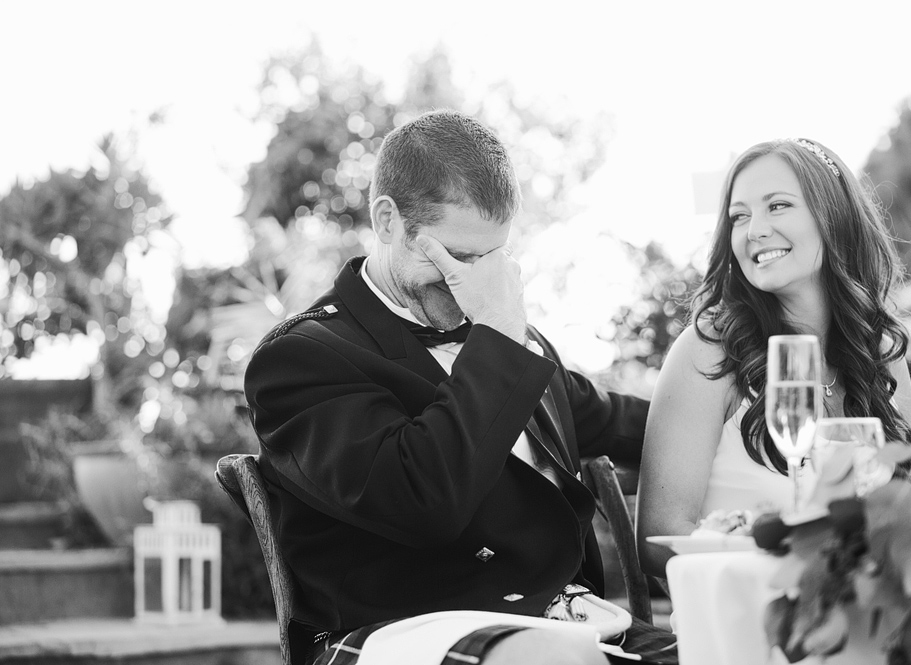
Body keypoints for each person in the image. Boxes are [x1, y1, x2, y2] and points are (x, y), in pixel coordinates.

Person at [243, 110, 672, 665]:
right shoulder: (301, 358)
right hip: (399, 633)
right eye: (454, 256)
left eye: (491, 256)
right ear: (388, 220)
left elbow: (626, 423)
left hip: (571, 624)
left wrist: (743, 414)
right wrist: (498, 340)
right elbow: (424, 501)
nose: (472, 279)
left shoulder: (514, 342)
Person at [637, 138, 911, 566]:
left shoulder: (879, 351)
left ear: (834, 215)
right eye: (739, 216)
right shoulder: (708, 351)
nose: (755, 231)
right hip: (746, 615)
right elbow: (658, 539)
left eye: (779, 205)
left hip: (868, 616)